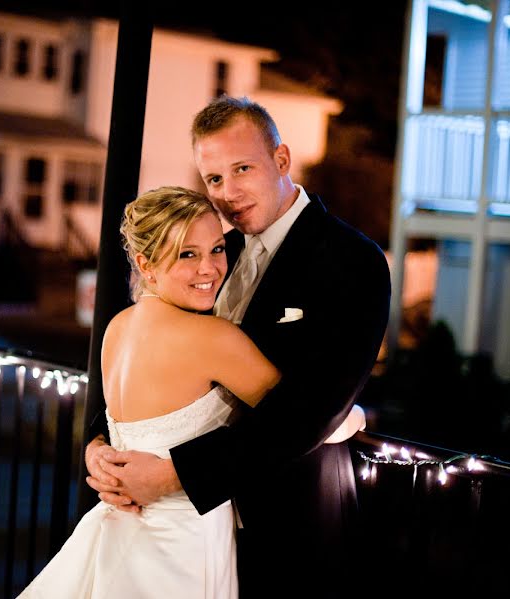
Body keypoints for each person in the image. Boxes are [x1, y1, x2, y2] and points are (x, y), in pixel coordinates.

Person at [85, 96, 391, 597]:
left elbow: (314, 409)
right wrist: (100, 443)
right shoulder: (213, 251)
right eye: (213, 179)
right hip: (200, 532)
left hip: (292, 520)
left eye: (242, 168)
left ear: (282, 160)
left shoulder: (352, 261)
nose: (227, 192)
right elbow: (161, 359)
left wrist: (174, 476)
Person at [18, 186, 365, 598]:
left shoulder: (117, 329)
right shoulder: (212, 338)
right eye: (187, 254)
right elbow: (308, 419)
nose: (210, 269)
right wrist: (357, 414)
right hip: (183, 546)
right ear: (146, 264)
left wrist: (96, 449)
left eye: (217, 249)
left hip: (119, 527)